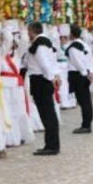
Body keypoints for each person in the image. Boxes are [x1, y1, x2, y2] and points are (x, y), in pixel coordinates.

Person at [25, 22, 64, 156]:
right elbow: (52, 61)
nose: (27, 34)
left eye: (28, 31)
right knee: (48, 113)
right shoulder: (45, 41)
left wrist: (51, 77)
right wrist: (55, 75)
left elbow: (44, 62)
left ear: (32, 31)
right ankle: (51, 144)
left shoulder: (40, 43)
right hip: (43, 79)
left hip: (41, 80)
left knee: (47, 114)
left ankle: (52, 145)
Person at [64, 24, 93, 134]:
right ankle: (87, 123)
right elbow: (89, 59)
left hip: (79, 75)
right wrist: (90, 72)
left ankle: (86, 124)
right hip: (85, 73)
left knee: (84, 101)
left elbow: (77, 61)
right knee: (85, 100)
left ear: (72, 34)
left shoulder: (74, 46)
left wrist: (85, 73)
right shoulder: (83, 44)